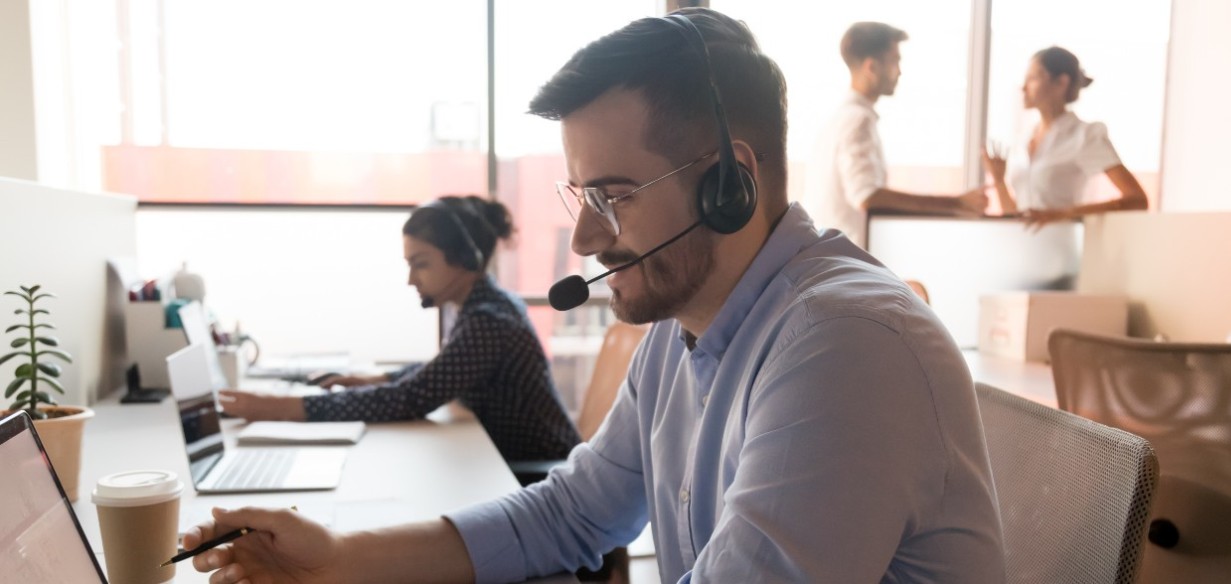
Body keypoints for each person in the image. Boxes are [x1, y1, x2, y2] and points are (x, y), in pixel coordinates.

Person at [183, 9, 1005, 583]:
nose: (584, 240)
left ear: (730, 185)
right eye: (583, 198)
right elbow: (571, 515)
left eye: (614, 194)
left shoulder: (843, 344)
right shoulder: (682, 334)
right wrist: (341, 559)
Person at [216, 195, 581, 465]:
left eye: (420, 264)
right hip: (510, 462)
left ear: (464, 259)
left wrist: (282, 408)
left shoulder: (488, 320)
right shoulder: (476, 306)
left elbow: (412, 398)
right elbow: (443, 368)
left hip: (541, 475)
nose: (411, 279)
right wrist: (375, 377)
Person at [803, 21, 988, 248]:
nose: (900, 71)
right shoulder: (857, 120)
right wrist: (956, 203)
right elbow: (867, 196)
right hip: (846, 261)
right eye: (895, 61)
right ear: (871, 67)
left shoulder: (839, 119)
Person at [982, 46, 1148, 230]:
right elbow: (1017, 216)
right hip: (1020, 250)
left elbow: (1137, 200)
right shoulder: (1023, 140)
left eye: (1033, 78)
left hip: (1062, 251)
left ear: (1061, 82)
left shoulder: (1085, 136)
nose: (1023, 87)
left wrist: (1062, 214)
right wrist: (999, 181)